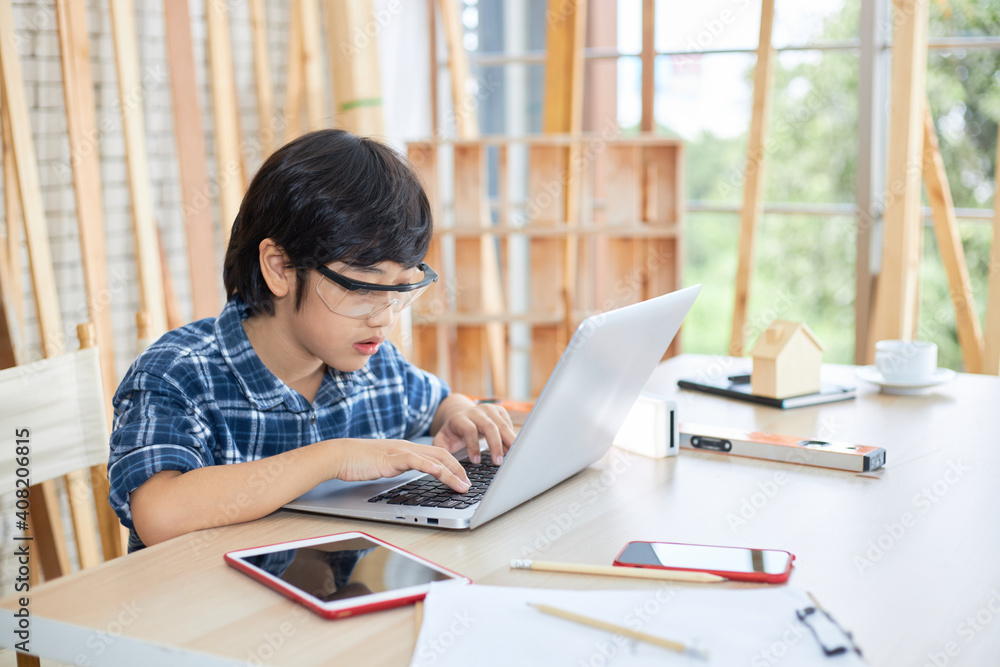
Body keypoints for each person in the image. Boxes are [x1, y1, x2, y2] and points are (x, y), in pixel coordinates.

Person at [108, 129, 515, 552]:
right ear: (280, 268)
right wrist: (334, 458)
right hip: (210, 611)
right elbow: (159, 513)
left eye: (401, 289)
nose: (384, 317)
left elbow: (436, 403)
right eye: (361, 288)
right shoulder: (178, 373)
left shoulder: (376, 365)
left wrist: (462, 414)